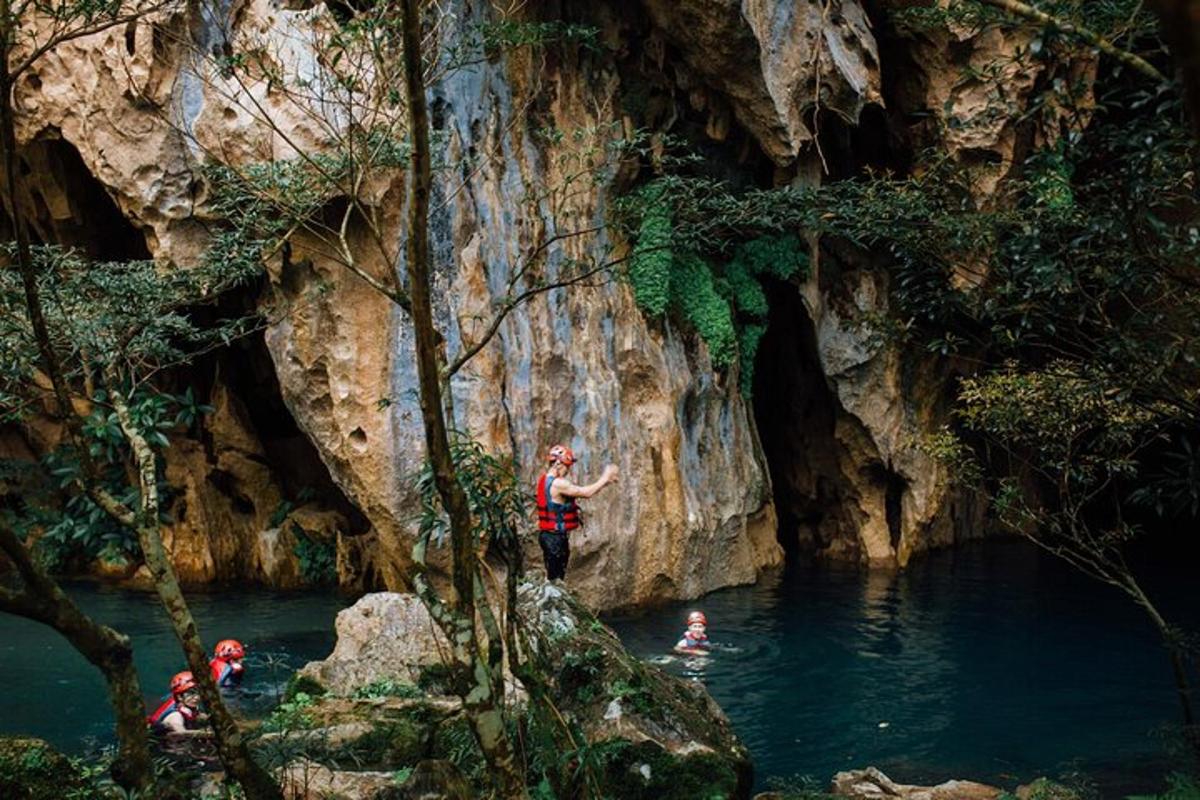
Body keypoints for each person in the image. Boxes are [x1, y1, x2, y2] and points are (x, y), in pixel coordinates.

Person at [535, 444, 618, 581]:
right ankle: (553, 600)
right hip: (555, 539)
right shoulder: (558, 484)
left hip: (548, 536)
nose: (568, 470)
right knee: (556, 579)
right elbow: (586, 493)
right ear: (558, 463)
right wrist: (605, 478)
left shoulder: (544, 480)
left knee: (554, 574)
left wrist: (606, 482)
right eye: (567, 466)